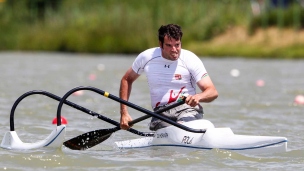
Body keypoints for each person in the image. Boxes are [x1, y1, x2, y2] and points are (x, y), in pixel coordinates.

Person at [119, 24, 218, 131]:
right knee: (170, 131)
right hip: (161, 112)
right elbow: (126, 79)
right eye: (169, 45)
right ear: (160, 44)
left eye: (177, 44)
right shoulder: (147, 57)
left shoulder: (190, 59)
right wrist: (124, 113)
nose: (174, 49)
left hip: (187, 108)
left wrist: (198, 97)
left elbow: (212, 92)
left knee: (181, 128)